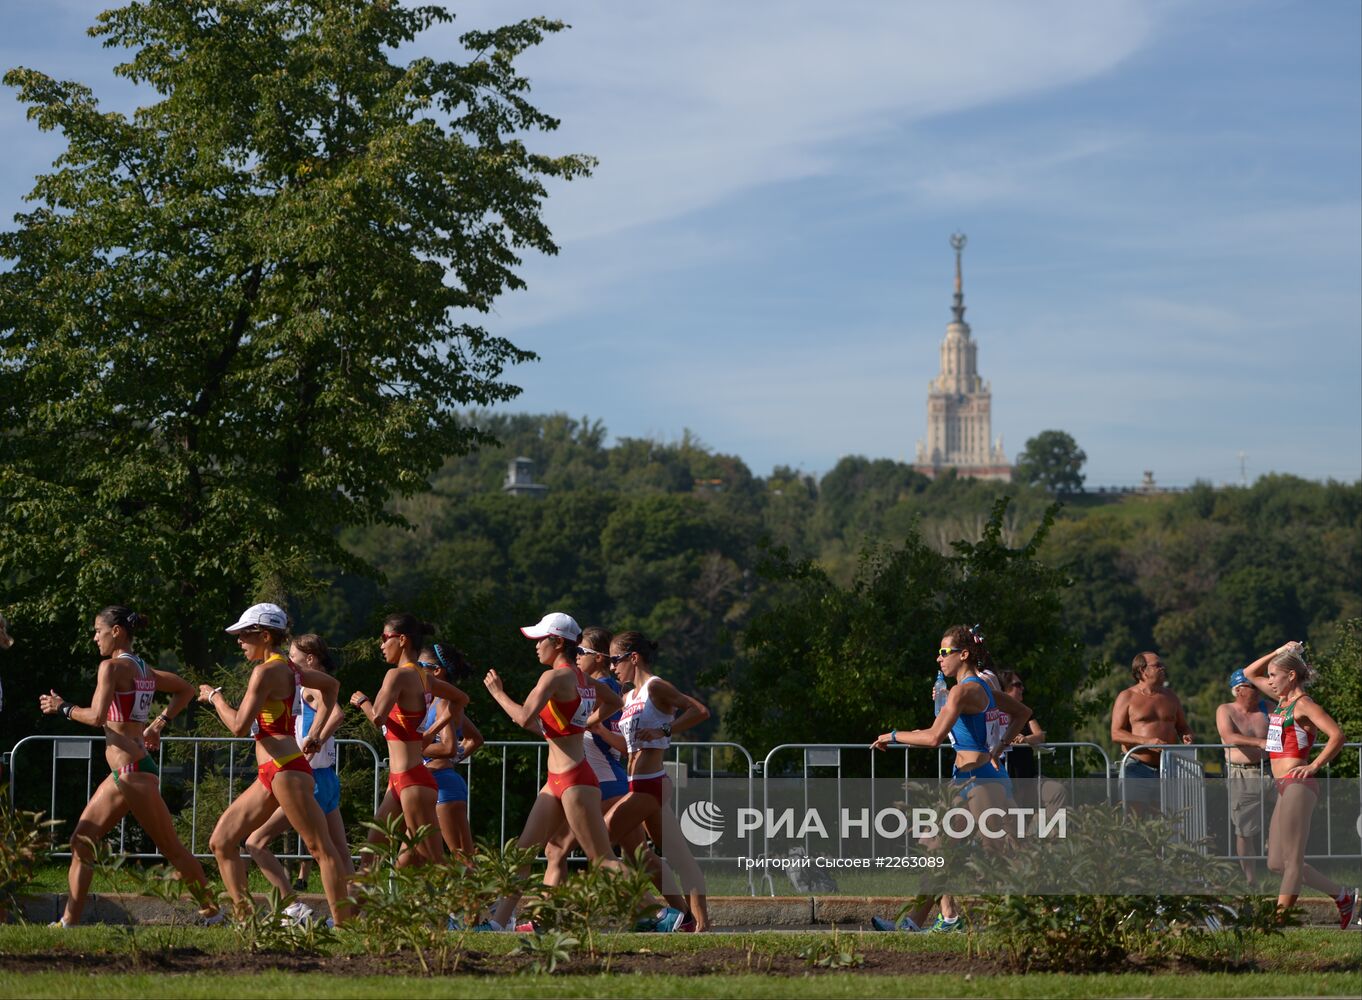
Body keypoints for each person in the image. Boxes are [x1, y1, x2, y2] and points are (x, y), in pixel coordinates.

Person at [38, 606, 220, 927]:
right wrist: (157, 725)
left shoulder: (110, 668)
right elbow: (186, 689)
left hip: (133, 772)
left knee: (172, 849)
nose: (95, 638)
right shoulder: (143, 669)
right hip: (126, 772)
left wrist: (62, 707)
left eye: (98, 630)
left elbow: (96, 716)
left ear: (117, 632)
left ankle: (214, 913)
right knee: (82, 841)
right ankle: (69, 921)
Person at [871, 625, 1031, 933]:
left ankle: (1053, 909)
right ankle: (916, 922)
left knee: (1002, 856)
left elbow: (933, 739)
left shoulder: (966, 690)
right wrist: (999, 746)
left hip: (981, 781)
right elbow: (1022, 712)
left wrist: (893, 735)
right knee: (938, 850)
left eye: (945, 652)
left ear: (964, 654)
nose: (939, 659)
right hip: (968, 778)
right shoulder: (979, 690)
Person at [198, 603, 352, 923]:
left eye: (244, 634)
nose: (239, 641)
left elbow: (239, 726)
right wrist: (317, 732)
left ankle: (344, 923)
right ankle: (247, 919)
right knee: (222, 841)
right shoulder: (292, 670)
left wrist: (215, 698)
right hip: (273, 771)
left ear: (265, 636)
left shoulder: (268, 671)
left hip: (286, 770)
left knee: (321, 849)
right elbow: (332, 686)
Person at [480, 612, 625, 931]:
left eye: (539, 640)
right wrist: (582, 724)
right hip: (559, 781)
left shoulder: (554, 678)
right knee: (523, 853)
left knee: (603, 860)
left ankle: (657, 916)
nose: (535, 646)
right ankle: (498, 922)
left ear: (557, 642)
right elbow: (614, 701)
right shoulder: (583, 678)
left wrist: (497, 693)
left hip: (575, 781)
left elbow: (522, 717)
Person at [1243, 642, 1357, 927]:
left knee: (1292, 861)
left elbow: (1337, 736)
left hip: (1298, 783)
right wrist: (1280, 650)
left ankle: (1278, 923)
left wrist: (1314, 765)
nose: (1268, 680)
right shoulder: (1282, 701)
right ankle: (1342, 895)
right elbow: (1248, 672)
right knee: (1275, 864)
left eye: (1274, 675)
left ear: (1291, 676)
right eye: (1269, 675)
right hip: (1283, 785)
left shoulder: (1303, 704)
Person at [243, 633, 353, 921]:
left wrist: (314, 736)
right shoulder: (308, 683)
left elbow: (337, 713)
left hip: (309, 776)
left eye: (293, 657)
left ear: (310, 659)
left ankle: (295, 908)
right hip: (326, 777)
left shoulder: (305, 686)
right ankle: (353, 911)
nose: (289, 662)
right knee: (339, 854)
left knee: (257, 841)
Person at [608, 630, 712, 931]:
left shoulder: (656, 687)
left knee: (599, 841)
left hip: (650, 784)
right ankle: (694, 923)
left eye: (616, 660)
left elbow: (700, 711)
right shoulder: (628, 697)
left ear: (634, 657)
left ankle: (660, 915)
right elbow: (629, 742)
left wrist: (667, 732)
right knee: (665, 856)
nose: (614, 667)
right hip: (637, 783)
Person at [351, 613, 469, 866]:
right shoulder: (424, 677)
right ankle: (352, 907)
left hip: (413, 779)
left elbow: (378, 718)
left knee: (435, 862)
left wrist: (363, 702)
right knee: (371, 857)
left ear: (402, 639)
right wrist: (428, 732)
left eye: (385, 638)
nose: (381, 645)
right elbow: (461, 699)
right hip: (400, 780)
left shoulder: (397, 676)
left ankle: (482, 901)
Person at [418, 642, 483, 860]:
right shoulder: (438, 701)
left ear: (437, 671)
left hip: (444, 785)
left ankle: (482, 895)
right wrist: (452, 758)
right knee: (414, 854)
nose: (415, 670)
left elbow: (448, 746)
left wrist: (417, 749)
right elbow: (475, 739)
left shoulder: (445, 702)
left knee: (463, 858)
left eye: (420, 665)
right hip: (437, 782)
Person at [1110, 651, 1194, 815]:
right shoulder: (1127, 696)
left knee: (1168, 820)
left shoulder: (1171, 697)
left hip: (1169, 767)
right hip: (1136, 767)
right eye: (1157, 665)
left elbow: (1183, 726)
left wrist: (1187, 734)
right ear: (1142, 670)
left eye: (1162, 665)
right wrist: (1146, 741)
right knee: (1135, 821)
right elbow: (1116, 733)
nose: (1163, 668)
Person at [1215, 668, 1273, 885]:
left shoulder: (1267, 708)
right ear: (1239, 690)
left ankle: (1280, 860)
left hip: (1270, 769)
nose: (1258, 691)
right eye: (1253, 686)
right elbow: (1228, 736)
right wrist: (1259, 742)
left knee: (1287, 815)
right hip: (1241, 773)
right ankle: (1251, 879)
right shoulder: (1226, 710)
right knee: (1244, 829)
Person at [996, 669, 1067, 820]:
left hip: (1028, 777)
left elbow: (1040, 736)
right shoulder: (994, 713)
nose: (1022, 688)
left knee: (1057, 791)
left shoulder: (1025, 712)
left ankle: (1045, 837)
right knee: (1013, 815)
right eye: (1017, 685)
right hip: (1004, 778)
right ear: (1004, 689)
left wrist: (1026, 739)